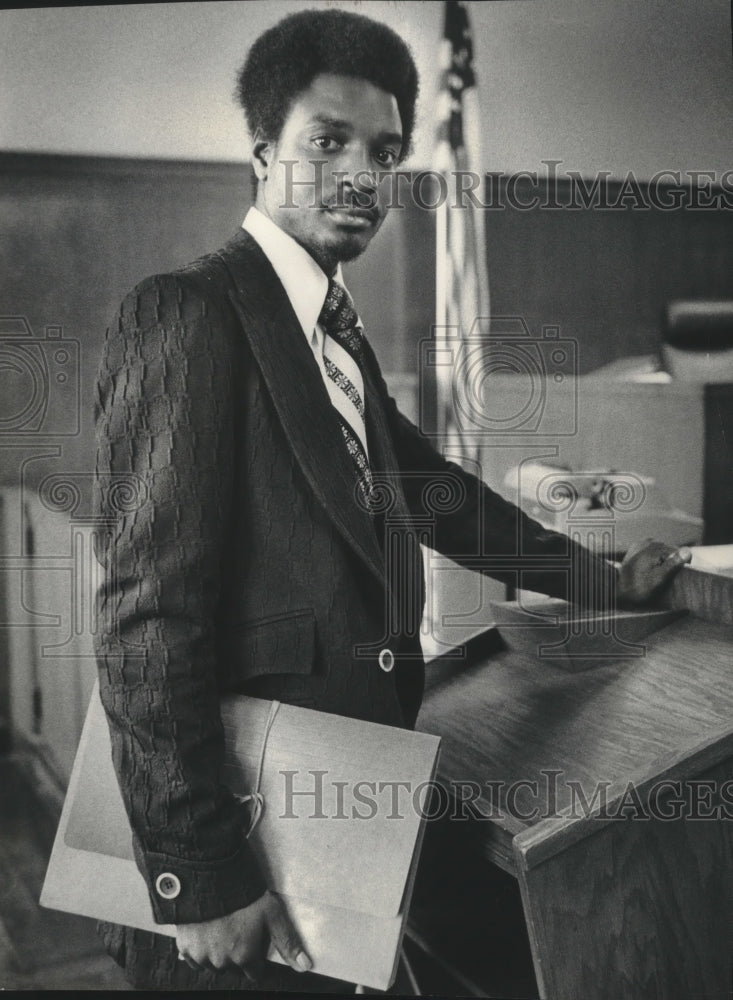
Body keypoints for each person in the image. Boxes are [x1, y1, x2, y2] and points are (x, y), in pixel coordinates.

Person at [92, 7, 689, 993]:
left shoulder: (333, 333)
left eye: (385, 152)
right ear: (261, 151)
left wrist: (599, 579)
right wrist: (192, 871)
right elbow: (142, 623)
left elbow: (443, 498)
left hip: (346, 829)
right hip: (245, 854)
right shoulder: (189, 311)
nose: (363, 177)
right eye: (328, 142)